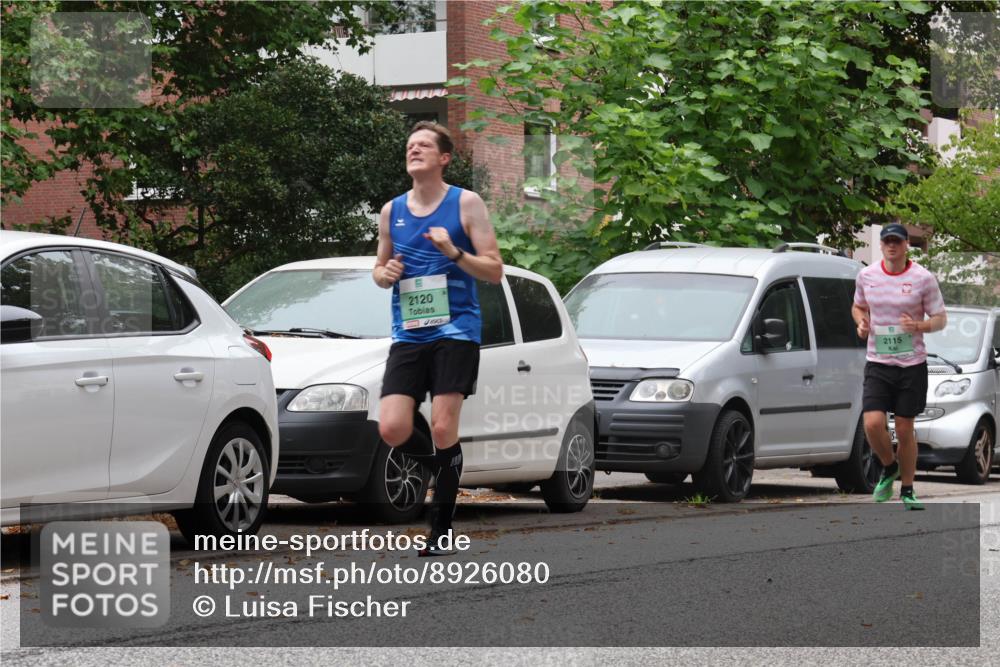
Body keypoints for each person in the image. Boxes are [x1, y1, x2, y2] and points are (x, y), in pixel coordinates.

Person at [372, 121, 503, 556]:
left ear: (444, 157)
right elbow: (379, 270)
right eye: (410, 145)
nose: (415, 150)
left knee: (444, 426)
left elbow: (495, 269)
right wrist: (384, 274)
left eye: (424, 145)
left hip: (457, 330)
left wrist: (453, 252)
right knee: (392, 428)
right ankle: (444, 470)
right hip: (409, 333)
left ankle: (441, 528)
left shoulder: (466, 203)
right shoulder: (392, 210)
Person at [852, 223, 947, 510]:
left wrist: (919, 325)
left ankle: (907, 489)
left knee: (905, 429)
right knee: (872, 423)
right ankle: (889, 466)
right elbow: (857, 306)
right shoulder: (867, 275)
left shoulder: (923, 278)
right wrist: (861, 323)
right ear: (881, 245)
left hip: (911, 364)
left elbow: (941, 318)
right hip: (878, 362)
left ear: (907, 245)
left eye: (897, 241)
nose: (892, 246)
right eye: (887, 241)